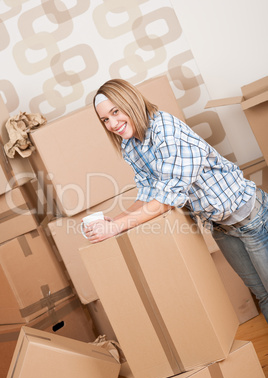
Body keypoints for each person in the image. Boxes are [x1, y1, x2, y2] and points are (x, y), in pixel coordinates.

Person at [84, 78, 268, 322]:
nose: (112, 123)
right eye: (105, 119)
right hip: (220, 226)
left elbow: (166, 199)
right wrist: (113, 221)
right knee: (262, 295)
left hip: (250, 217)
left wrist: (116, 227)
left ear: (130, 101)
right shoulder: (132, 145)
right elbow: (149, 193)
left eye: (115, 112)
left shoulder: (165, 129)